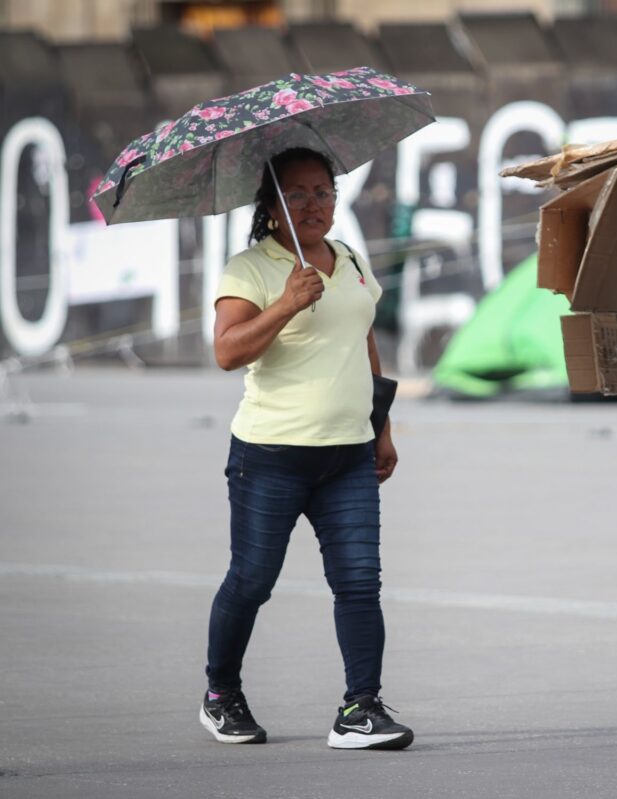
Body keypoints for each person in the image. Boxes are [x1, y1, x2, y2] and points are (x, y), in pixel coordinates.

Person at [200, 146, 412, 750]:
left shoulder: (348, 260)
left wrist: (382, 426)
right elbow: (227, 351)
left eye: (323, 191)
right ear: (270, 206)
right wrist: (287, 303)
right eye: (296, 194)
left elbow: (364, 338)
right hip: (269, 457)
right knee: (252, 580)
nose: (313, 204)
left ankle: (360, 708)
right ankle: (221, 693)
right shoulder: (252, 270)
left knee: (359, 582)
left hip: (347, 456)